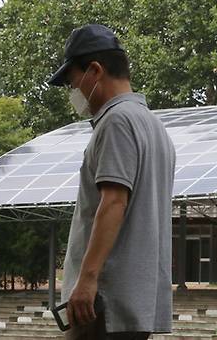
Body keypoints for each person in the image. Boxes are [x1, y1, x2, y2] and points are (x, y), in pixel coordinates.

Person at [47, 24, 174, 340]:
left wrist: (88, 280)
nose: (73, 93)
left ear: (94, 70)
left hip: (103, 304)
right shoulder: (154, 126)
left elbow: (114, 201)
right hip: (136, 303)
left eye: (73, 82)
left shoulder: (115, 122)